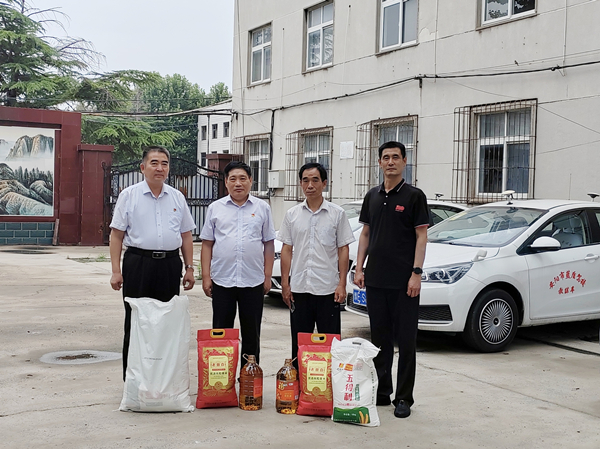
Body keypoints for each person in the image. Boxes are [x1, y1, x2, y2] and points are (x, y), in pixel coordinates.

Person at [354, 141, 428, 419]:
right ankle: (382, 391)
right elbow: (365, 234)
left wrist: (416, 273)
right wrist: (359, 268)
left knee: (406, 342)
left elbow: (421, 236)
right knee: (380, 340)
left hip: (404, 283)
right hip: (376, 280)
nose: (390, 162)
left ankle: (404, 397)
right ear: (379, 162)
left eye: (396, 157)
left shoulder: (414, 196)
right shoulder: (372, 196)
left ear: (404, 161)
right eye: (385, 157)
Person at [109, 145, 196, 381]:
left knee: (166, 322)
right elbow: (116, 235)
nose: (159, 168)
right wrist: (116, 271)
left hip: (169, 265)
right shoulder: (129, 196)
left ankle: (162, 380)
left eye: (164, 164)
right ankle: (134, 381)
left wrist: (189, 268)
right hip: (138, 263)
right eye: (154, 163)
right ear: (142, 167)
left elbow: (186, 235)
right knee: (136, 321)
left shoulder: (177, 197)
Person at [277, 162, 355, 368]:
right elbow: (286, 249)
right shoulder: (292, 215)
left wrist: (342, 284)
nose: (310, 185)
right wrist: (285, 284)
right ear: (300, 184)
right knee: (299, 344)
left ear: (324, 183)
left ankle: (329, 383)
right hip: (299, 289)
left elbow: (343, 249)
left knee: (331, 344)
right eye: (305, 180)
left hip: (328, 289)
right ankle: (300, 383)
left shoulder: (337, 214)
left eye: (315, 180)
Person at [200, 161, 275, 365]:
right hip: (222, 280)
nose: (238, 183)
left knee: (252, 335)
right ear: (226, 182)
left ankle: (249, 379)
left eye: (242, 178)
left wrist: (267, 276)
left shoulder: (262, 208)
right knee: (221, 333)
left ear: (251, 181)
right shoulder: (215, 208)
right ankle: (221, 378)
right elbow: (207, 244)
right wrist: (206, 276)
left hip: (253, 280)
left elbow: (268, 244)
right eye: (232, 179)